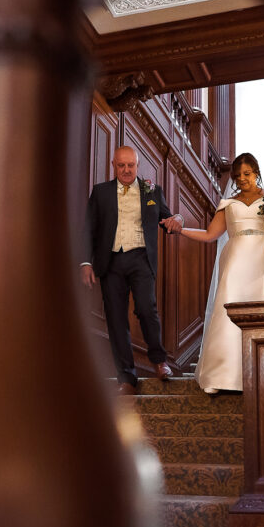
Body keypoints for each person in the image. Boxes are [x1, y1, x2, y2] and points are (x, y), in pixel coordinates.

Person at [176, 153, 264, 394]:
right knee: (229, 309)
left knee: (262, 306)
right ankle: (222, 375)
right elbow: (210, 235)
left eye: (247, 174)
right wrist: (181, 231)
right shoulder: (228, 204)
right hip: (236, 259)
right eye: (238, 176)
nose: (242, 179)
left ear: (256, 173)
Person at [80, 146, 184, 395]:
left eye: (131, 165)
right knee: (116, 320)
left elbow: (168, 220)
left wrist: (178, 218)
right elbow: (89, 229)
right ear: (114, 165)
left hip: (141, 259)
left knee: (147, 309)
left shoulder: (152, 191)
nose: (126, 170)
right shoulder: (101, 192)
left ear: (138, 166)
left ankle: (159, 361)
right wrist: (86, 262)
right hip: (111, 261)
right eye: (121, 165)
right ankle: (126, 377)